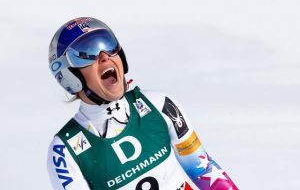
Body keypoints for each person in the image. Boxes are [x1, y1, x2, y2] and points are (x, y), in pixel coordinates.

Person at [47, 17, 238, 190]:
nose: (104, 56)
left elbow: (203, 169)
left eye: (108, 45)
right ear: (70, 76)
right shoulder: (64, 151)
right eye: (86, 53)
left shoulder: (159, 104)